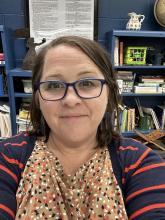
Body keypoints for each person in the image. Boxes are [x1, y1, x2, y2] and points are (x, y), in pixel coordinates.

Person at [0, 35, 165, 220]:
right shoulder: (7, 157)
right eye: (54, 85)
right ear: (38, 97)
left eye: (87, 83)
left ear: (108, 92)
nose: (70, 100)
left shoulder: (139, 162)